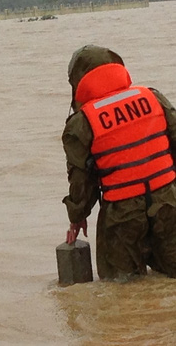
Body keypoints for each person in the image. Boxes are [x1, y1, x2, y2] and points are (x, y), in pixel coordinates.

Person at [62, 44, 176, 281]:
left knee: (122, 288)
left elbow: (82, 181)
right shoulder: (151, 97)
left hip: (122, 216)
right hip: (168, 203)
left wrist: (77, 216)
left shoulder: (81, 122)